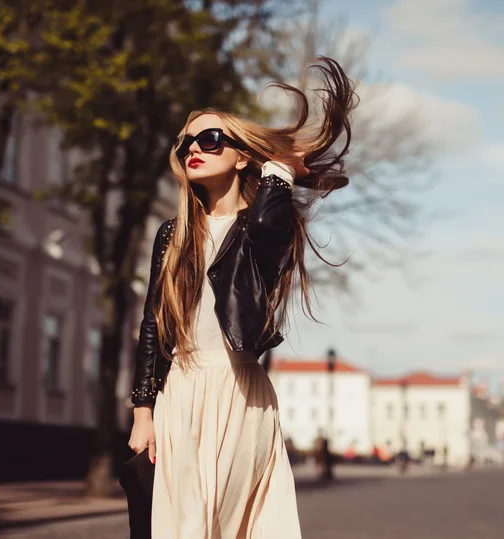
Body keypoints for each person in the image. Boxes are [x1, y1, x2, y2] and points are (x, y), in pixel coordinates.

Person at [128, 56, 356, 538]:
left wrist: (278, 168)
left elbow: (270, 225)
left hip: (239, 395)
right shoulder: (172, 235)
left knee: (229, 527)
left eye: (210, 140)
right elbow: (154, 322)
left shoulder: (263, 227)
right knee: (179, 527)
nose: (194, 148)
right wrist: (143, 410)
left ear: (241, 155)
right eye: (186, 142)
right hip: (180, 395)